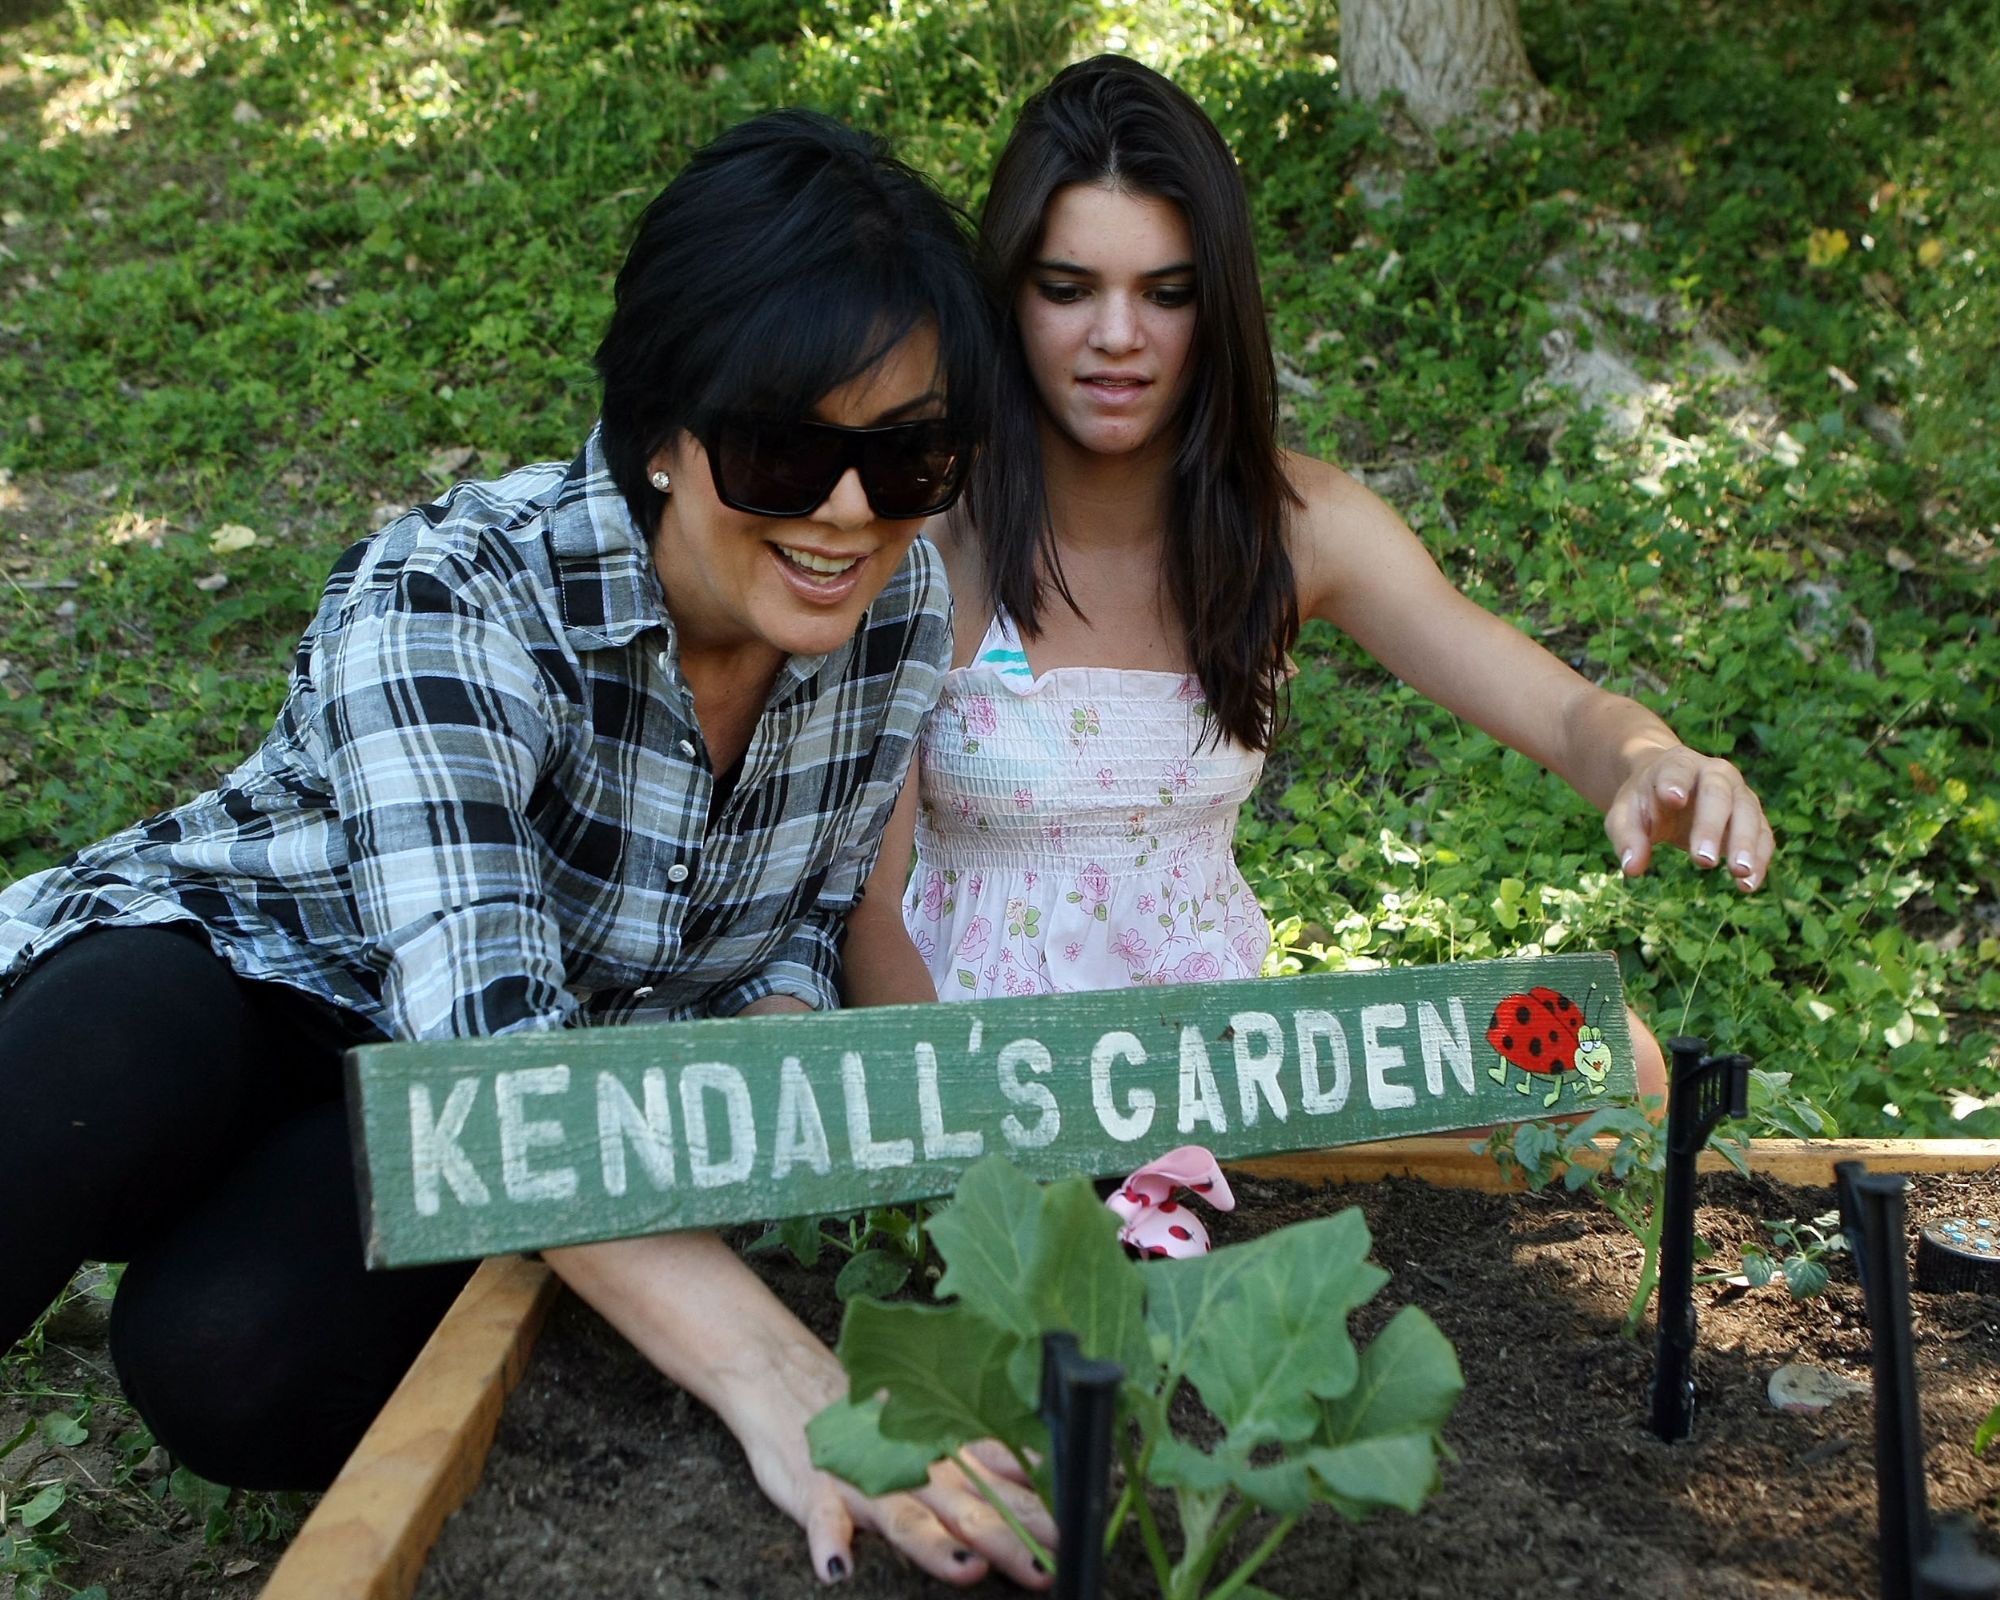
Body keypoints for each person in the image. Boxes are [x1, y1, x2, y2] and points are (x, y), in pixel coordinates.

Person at [0, 111, 1050, 1589]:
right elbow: (489, 1066)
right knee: (104, 1064)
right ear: (662, 437)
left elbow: (812, 916)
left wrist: (768, 1055)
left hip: (479, 1101)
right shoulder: (457, 595)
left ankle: (224, 1222)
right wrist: (780, 1375)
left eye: (911, 456)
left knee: (235, 1360)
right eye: (781, 450)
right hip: (275, 978)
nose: (849, 511)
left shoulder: (895, 622)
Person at [842, 56, 1775, 1103]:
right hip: (976, 1073)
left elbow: (1564, 717)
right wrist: (951, 1122)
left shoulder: (1294, 526)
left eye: (1166, 293)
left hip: (1223, 1078)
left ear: (1218, 304)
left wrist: (1649, 761)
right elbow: (867, 914)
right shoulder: (925, 532)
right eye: (1067, 289)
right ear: (1007, 295)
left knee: (1618, 1060)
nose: (1116, 336)